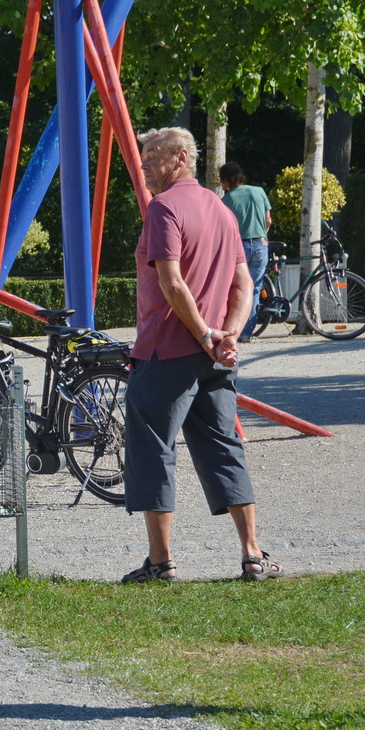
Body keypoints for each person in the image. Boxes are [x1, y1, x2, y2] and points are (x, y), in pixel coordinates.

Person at [121, 127, 279, 584]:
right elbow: (244, 284)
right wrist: (229, 335)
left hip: (166, 349)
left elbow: (171, 282)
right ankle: (253, 554)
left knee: (152, 448)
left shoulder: (163, 208)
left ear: (182, 157)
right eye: (144, 156)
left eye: (154, 155)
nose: (145, 164)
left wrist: (208, 333)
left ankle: (160, 562)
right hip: (212, 357)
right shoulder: (221, 209)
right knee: (223, 445)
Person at [219, 163, 273, 342]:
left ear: (227, 179)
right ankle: (246, 333)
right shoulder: (259, 191)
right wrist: (262, 236)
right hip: (260, 244)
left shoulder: (226, 199)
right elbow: (268, 220)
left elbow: (224, 228)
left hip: (238, 247)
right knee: (254, 289)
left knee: (236, 288)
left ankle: (234, 330)